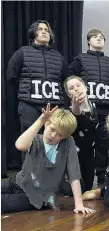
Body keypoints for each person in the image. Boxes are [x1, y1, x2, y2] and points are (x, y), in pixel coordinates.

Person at [2, 104, 94, 214]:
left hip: (35, 195)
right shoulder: (36, 139)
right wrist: (41, 120)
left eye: (60, 135)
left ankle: (48, 200)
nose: (53, 135)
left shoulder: (68, 144)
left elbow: (74, 175)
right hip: (18, 182)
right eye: (52, 129)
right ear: (46, 124)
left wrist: (79, 204)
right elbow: (20, 145)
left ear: (65, 137)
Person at [7, 20, 69, 166]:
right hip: (30, 104)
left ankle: (52, 177)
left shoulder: (58, 56)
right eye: (40, 29)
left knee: (55, 140)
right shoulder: (21, 53)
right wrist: (29, 92)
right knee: (30, 141)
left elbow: (66, 80)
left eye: (46, 30)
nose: (44, 32)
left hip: (54, 106)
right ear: (33, 33)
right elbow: (12, 77)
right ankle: (27, 180)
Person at [69, 28, 109, 185]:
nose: (99, 39)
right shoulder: (79, 60)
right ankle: (84, 178)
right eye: (95, 37)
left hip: (105, 109)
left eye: (102, 37)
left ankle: (102, 177)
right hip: (85, 110)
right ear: (88, 41)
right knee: (85, 145)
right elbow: (70, 80)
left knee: (103, 145)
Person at [63, 76, 99, 192]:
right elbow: (76, 112)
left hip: (89, 153)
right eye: (72, 88)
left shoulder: (93, 106)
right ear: (69, 94)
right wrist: (76, 106)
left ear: (85, 87)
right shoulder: (71, 109)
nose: (76, 89)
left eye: (78, 85)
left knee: (88, 187)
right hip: (75, 155)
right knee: (77, 189)